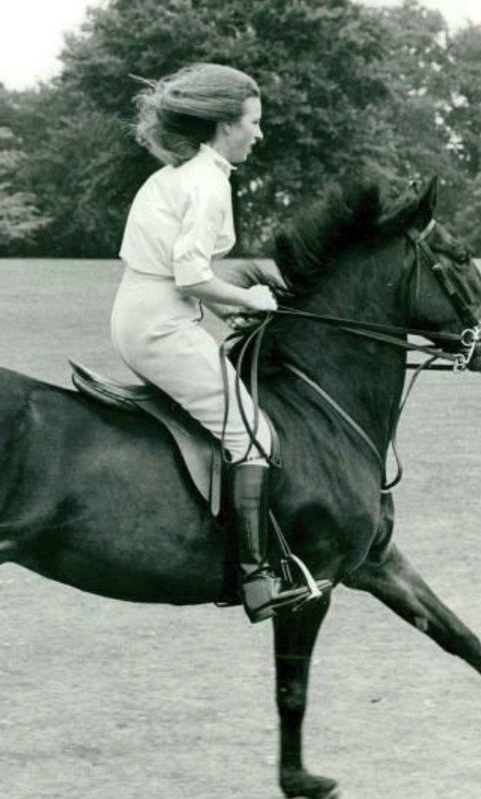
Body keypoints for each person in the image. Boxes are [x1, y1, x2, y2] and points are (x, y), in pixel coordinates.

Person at [110, 63, 318, 623]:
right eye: (253, 122)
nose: (259, 133)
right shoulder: (206, 183)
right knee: (252, 437)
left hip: (150, 312)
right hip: (161, 322)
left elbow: (190, 277)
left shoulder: (191, 173)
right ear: (226, 124)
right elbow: (190, 276)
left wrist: (229, 308)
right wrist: (252, 302)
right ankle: (255, 579)